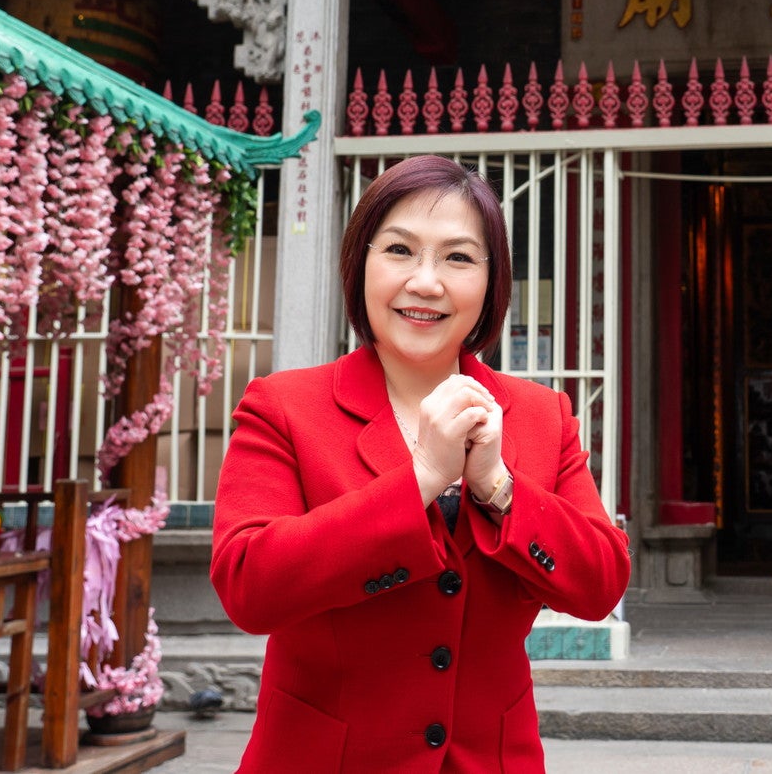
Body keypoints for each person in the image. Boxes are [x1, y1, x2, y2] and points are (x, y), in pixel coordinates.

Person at [211, 154, 631, 772]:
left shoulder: (543, 416)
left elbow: (601, 585)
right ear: (360, 265)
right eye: (399, 250)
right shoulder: (285, 407)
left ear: (491, 281)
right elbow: (249, 588)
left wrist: (498, 486)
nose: (426, 283)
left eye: (458, 257)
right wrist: (422, 479)